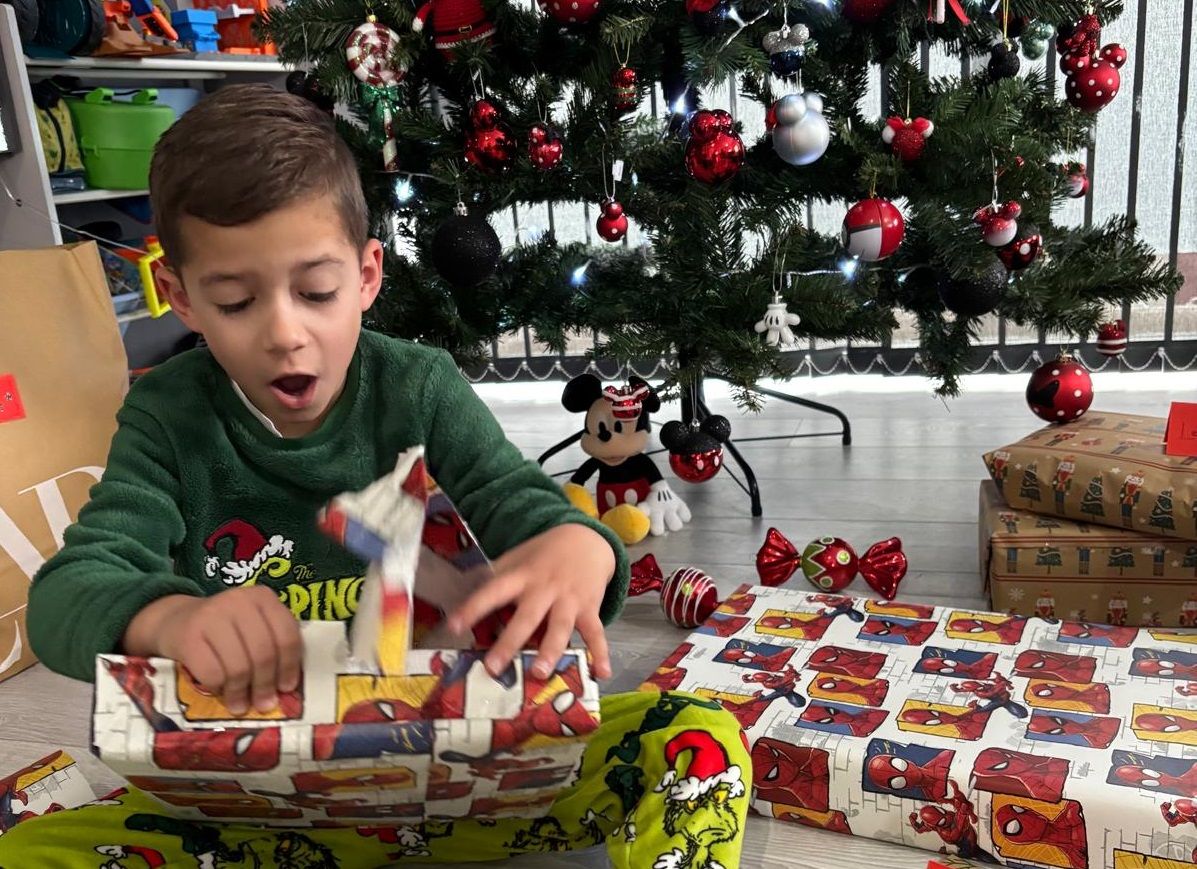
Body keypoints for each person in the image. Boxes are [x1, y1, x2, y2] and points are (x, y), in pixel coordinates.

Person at [5, 85, 749, 868]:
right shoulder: (166, 414)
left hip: (470, 770)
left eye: (317, 292)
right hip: (260, 802)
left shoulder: (418, 385)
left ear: (366, 276)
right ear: (184, 299)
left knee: (692, 733)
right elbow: (66, 592)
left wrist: (579, 546)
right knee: (38, 845)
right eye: (235, 301)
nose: (285, 334)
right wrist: (167, 618)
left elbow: (515, 500)